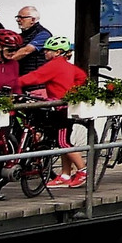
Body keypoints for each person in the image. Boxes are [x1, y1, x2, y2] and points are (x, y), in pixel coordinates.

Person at [17, 37, 90, 187]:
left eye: (48, 50)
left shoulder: (54, 65)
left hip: (60, 109)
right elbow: (82, 77)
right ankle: (65, 175)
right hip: (64, 106)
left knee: (63, 142)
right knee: (63, 141)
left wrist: (12, 83)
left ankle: (83, 171)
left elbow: (34, 77)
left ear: (57, 52)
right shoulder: (68, 66)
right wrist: (73, 90)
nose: (45, 52)